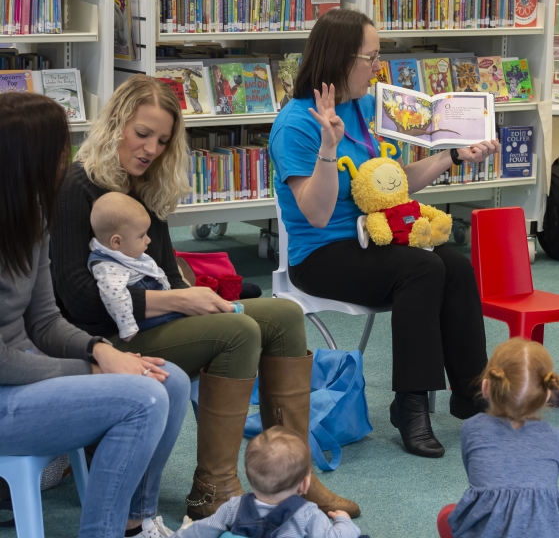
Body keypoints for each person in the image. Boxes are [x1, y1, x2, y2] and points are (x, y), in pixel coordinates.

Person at [49, 75, 358, 519]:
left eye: (162, 140)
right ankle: (213, 488)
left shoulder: (145, 186)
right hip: (103, 340)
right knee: (237, 331)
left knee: (284, 314)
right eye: (142, 134)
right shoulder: (76, 187)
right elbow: (75, 299)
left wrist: (189, 295)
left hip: (152, 323)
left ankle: (294, 475)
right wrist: (179, 302)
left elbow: (162, 274)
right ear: (115, 125)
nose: (151, 149)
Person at [268, 8, 498, 459]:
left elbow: (393, 184)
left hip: (374, 238)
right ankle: (410, 404)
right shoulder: (296, 124)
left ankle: (472, 393)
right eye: (370, 58)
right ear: (339, 60)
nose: (378, 68)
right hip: (321, 255)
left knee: (452, 260)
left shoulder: (361, 108)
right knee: (422, 268)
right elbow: (315, 214)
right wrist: (329, 149)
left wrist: (452, 155)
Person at [0, 92, 190, 538]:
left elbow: (44, 319)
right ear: (27, 159)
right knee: (143, 399)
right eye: (57, 152)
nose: (64, 164)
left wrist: (100, 349)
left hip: (22, 375)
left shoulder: (32, 218)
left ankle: (136, 523)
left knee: (172, 382)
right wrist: (88, 365)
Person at [442, 339, 559, 538]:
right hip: (544, 530)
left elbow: (475, 475)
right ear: (547, 393)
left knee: (451, 514)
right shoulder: (555, 438)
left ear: (486, 386)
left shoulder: (472, 429)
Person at [173, 427, 362, 538]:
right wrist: (343, 521)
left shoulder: (234, 507)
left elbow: (200, 531)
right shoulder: (308, 514)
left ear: (247, 475)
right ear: (305, 484)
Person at [89, 192, 184, 340]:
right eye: (142, 236)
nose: (148, 240)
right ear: (117, 242)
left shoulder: (123, 252)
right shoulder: (108, 267)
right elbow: (114, 296)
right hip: (148, 324)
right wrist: (128, 327)